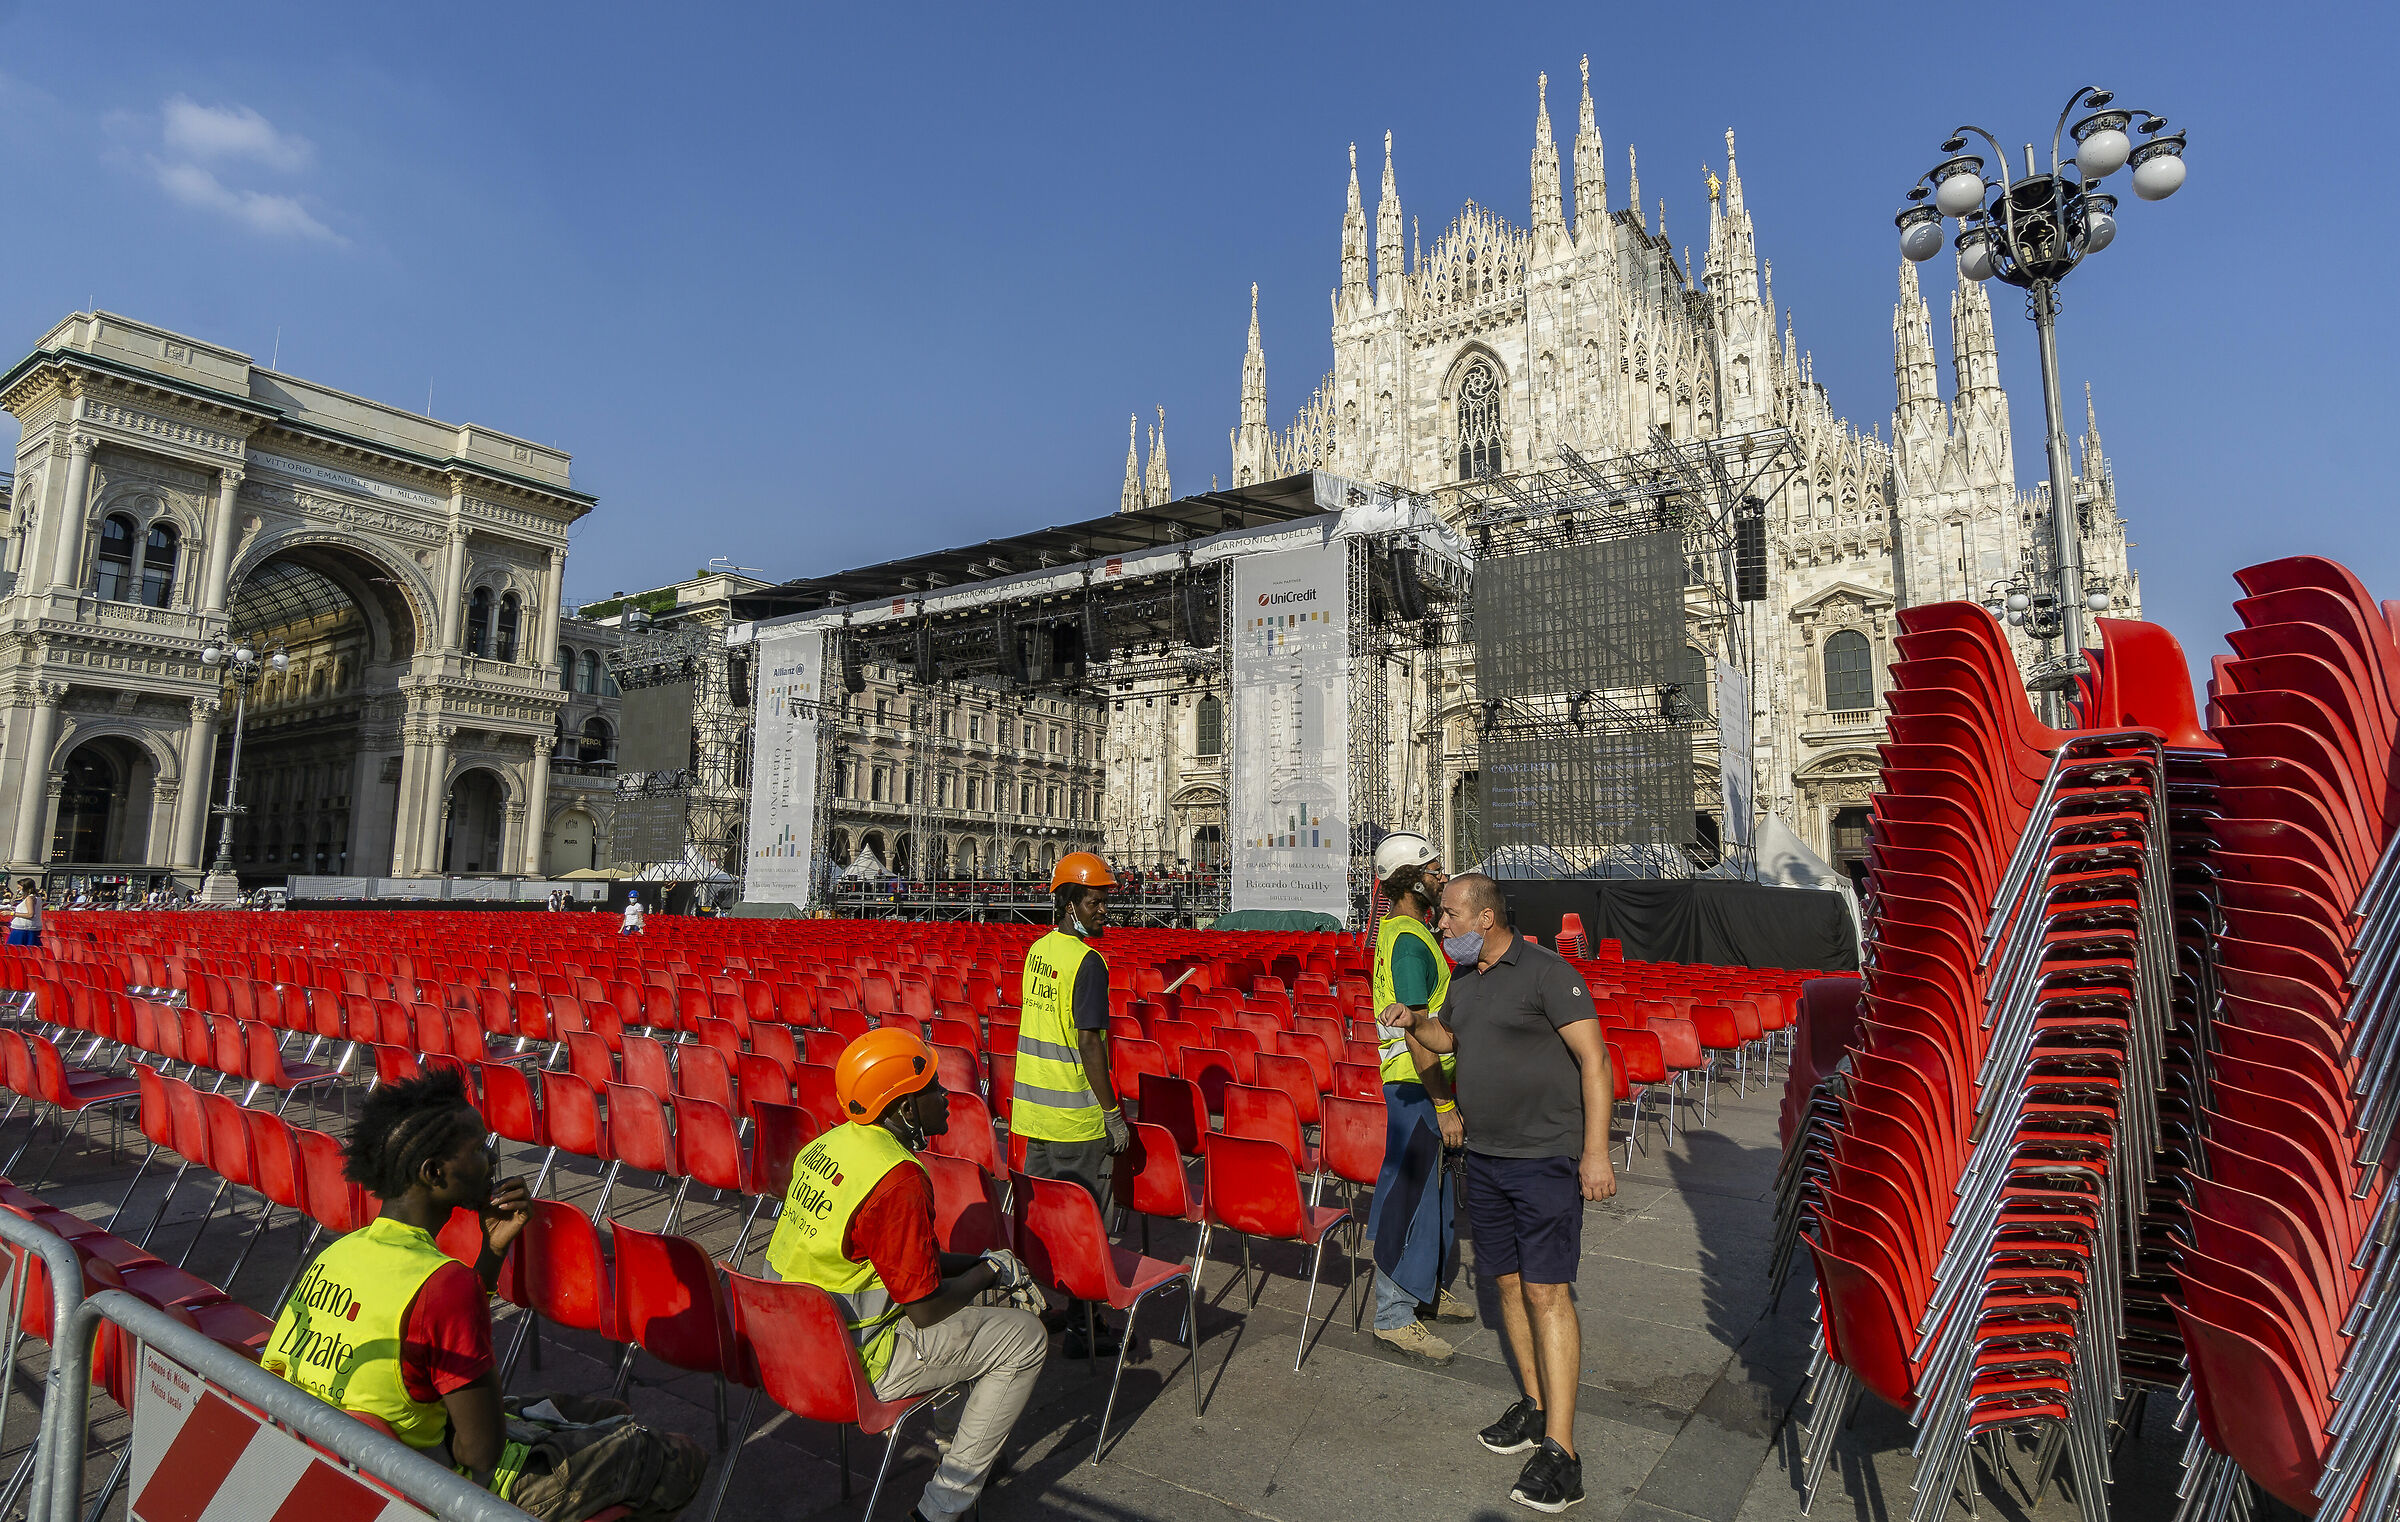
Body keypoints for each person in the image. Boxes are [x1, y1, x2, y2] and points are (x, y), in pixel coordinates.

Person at [265, 1069, 705, 1519]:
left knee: (603, 1410)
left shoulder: (340, 1252)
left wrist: (492, 1250)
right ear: (434, 1172)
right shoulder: (444, 1283)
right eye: (477, 1149)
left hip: (348, 1461)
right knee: (677, 1456)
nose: (491, 1158)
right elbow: (480, 1454)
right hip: (437, 1487)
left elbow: (429, 1331)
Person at [1391, 872, 1617, 1515]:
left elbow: (1594, 1061)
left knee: (1548, 1292)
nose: (1442, 927)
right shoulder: (1463, 981)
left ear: (1486, 917)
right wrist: (1415, 1022)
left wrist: (1595, 1151)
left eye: (1452, 917)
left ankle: (1563, 1452)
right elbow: (1449, 1039)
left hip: (1544, 1158)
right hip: (1485, 1158)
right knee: (1507, 1285)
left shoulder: (1548, 973)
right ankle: (1535, 1404)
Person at [768, 1029, 1047, 1522]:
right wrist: (988, 1272)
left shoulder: (830, 1145)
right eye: (933, 1087)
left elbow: (901, 1262)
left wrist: (985, 1263)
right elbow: (925, 1307)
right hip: (857, 1360)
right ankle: (942, 1508)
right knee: (1024, 1337)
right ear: (902, 1108)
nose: (945, 1097)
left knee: (974, 1314)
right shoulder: (897, 1177)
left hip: (789, 1346)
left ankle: (956, 1438)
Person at [1010, 850, 1129, 1358]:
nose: (1106, 911)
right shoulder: (1089, 962)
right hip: (1075, 1118)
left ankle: (1046, 1304)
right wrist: (1112, 1114)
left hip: (1033, 1110)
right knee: (1085, 1226)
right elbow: (1089, 1042)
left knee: (1048, 1220)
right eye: (1097, 902)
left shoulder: (1040, 950)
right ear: (1070, 902)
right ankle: (1084, 1325)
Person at [1365, 832, 1472, 1363]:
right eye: (1432, 869)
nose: (1440, 876)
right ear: (1410, 879)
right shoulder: (1408, 939)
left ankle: (1425, 1290)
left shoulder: (1404, 932)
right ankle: (1393, 1313)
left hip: (1420, 1084)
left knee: (1433, 1195)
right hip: (1416, 1085)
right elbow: (1414, 1028)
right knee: (1408, 1196)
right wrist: (1445, 1104)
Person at [7, 881, 42, 947]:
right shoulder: (36, 897)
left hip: (24, 928)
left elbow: (30, 914)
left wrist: (11, 913)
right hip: (29, 927)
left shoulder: (30, 898)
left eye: (19, 888)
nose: (18, 890)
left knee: (17, 949)